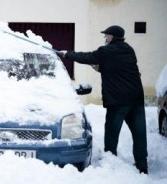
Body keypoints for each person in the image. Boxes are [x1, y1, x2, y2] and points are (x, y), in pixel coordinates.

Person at [56, 25, 148, 174]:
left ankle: (110, 163)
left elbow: (86, 57)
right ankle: (142, 166)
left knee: (112, 132)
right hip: (136, 98)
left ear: (112, 37)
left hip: (118, 100)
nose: (105, 38)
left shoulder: (106, 51)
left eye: (106, 36)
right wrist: (101, 68)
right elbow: (120, 68)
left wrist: (67, 54)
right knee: (139, 134)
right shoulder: (129, 49)